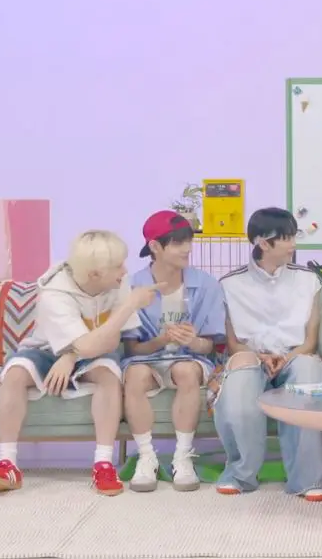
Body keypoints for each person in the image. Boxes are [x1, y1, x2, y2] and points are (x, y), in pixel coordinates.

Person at [0, 230, 159, 496]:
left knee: (108, 376)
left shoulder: (118, 282)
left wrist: (71, 357)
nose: (125, 270)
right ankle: (7, 464)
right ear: (94, 274)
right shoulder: (54, 292)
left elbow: (111, 341)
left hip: (96, 349)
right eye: (118, 266)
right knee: (15, 374)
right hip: (47, 349)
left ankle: (103, 464)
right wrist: (129, 305)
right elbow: (86, 344)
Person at [213, 207, 322, 501]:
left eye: (293, 237)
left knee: (308, 369)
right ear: (263, 243)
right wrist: (260, 357)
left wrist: (286, 359)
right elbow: (233, 343)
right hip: (251, 355)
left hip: (295, 355)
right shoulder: (229, 284)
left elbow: (310, 341)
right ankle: (240, 474)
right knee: (241, 373)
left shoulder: (309, 280)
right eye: (287, 238)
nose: (293, 245)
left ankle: (310, 479)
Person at [120, 211, 226, 492]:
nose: (187, 249)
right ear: (155, 246)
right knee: (136, 375)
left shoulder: (206, 285)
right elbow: (132, 349)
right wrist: (161, 340)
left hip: (192, 358)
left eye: (189, 241)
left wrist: (193, 341)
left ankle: (183, 456)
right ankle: (147, 457)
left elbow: (210, 346)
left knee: (186, 370)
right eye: (178, 243)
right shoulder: (132, 287)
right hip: (145, 358)